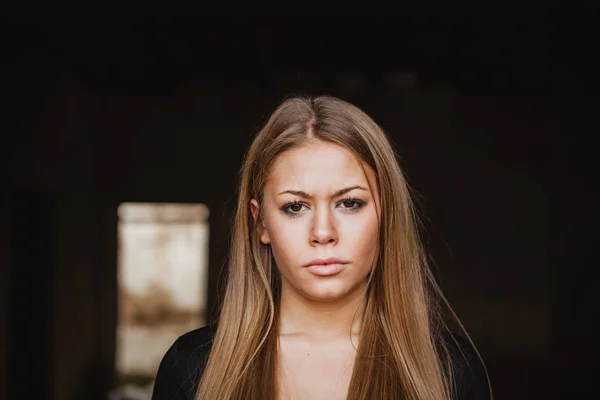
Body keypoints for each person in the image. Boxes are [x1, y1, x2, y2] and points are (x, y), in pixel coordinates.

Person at [151, 94, 492, 400]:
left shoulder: (450, 369)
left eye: (350, 203)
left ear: (386, 214)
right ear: (261, 223)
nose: (323, 232)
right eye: (295, 207)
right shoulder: (193, 368)